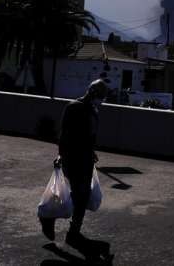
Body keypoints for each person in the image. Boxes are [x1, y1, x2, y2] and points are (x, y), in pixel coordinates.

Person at [41, 78, 107, 246]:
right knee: (79, 194)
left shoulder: (93, 110)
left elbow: (90, 136)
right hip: (73, 158)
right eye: (100, 95)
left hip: (85, 159)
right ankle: (54, 221)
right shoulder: (74, 107)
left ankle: (70, 230)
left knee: (80, 196)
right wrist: (60, 155)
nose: (101, 100)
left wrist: (91, 152)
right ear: (92, 92)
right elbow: (64, 134)